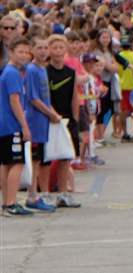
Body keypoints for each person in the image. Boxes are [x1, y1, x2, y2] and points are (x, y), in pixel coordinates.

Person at [24, 36, 61, 212]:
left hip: (43, 121)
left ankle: (35, 193)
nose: (43, 51)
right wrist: (49, 113)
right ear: (32, 50)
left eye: (46, 48)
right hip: (34, 120)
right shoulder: (31, 70)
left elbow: (46, 98)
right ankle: (32, 195)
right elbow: (33, 98)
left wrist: (53, 113)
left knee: (39, 159)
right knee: (34, 159)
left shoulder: (43, 69)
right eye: (39, 48)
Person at [45, 35, 80, 208]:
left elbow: (74, 97)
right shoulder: (45, 72)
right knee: (45, 159)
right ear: (49, 50)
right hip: (49, 119)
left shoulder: (71, 72)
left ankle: (63, 194)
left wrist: (75, 118)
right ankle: (44, 194)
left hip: (66, 119)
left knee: (66, 157)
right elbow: (43, 97)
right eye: (54, 47)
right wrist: (51, 114)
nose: (58, 51)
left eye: (61, 47)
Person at [1, 37, 33, 216]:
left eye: (26, 52)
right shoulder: (12, 73)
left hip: (5, 124)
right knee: (17, 162)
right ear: (11, 52)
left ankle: (6, 201)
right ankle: (11, 203)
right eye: (20, 51)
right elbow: (15, 101)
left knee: (6, 163)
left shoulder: (9, 71)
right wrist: (24, 126)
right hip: (11, 124)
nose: (24, 55)